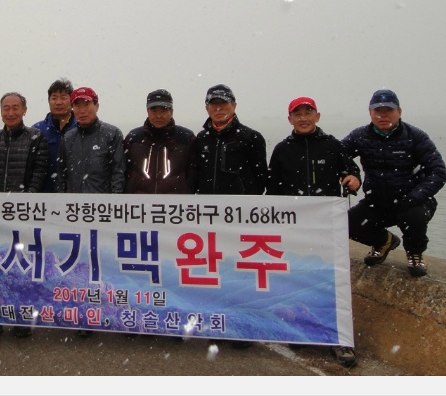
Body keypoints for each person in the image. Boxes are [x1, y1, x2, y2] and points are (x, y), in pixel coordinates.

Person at [266, 96, 361, 367]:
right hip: (294, 229)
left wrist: (354, 179)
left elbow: (351, 171)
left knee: (332, 280)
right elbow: (272, 190)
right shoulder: (282, 149)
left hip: (327, 227)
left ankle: (340, 339)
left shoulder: (332, 145)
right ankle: (303, 329)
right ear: (290, 119)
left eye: (308, 113)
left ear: (317, 116)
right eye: (297, 114)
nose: (303, 118)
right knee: (296, 278)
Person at [189, 84, 267, 349]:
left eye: (224, 103)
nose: (219, 108)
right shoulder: (201, 139)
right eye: (214, 104)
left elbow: (260, 180)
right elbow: (194, 177)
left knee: (241, 275)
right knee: (214, 274)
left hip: (240, 220)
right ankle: (219, 323)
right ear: (207, 108)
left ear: (234, 105)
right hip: (208, 220)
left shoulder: (252, 137)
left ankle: (244, 328)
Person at [342, 89, 446, 278]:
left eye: (388, 110)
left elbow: (438, 172)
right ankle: (384, 241)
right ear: (370, 113)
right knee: (345, 224)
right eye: (378, 111)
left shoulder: (416, 137)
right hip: (377, 201)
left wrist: (415, 196)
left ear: (399, 112)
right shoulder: (360, 136)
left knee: (414, 217)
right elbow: (336, 157)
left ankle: (415, 253)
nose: (383, 115)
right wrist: (351, 173)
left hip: (412, 201)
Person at [0, 92, 50, 343]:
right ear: (0, 111)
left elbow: (40, 171)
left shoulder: (37, 137)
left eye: (15, 107)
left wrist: (28, 197)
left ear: (24, 110)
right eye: (6, 108)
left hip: (23, 216)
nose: (10, 112)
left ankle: (21, 318)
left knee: (21, 268)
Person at [55, 86, 125, 338]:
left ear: (96, 105)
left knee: (106, 266)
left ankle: (116, 315)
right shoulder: (68, 137)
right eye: (78, 105)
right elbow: (61, 175)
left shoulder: (111, 133)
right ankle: (85, 317)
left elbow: (118, 172)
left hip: (103, 214)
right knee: (81, 267)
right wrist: (63, 206)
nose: (82, 109)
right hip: (75, 214)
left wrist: (113, 206)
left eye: (87, 104)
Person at [123, 89, 196, 194]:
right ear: (147, 111)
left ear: (171, 112)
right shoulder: (133, 138)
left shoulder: (186, 138)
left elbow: (193, 174)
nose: (158, 116)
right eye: (154, 110)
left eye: (163, 110)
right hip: (139, 201)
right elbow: (124, 172)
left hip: (176, 202)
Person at [32, 78, 77, 192]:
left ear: (72, 101)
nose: (58, 102)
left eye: (63, 98)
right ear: (48, 101)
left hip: (75, 195)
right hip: (43, 194)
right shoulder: (37, 130)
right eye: (54, 98)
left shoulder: (81, 128)